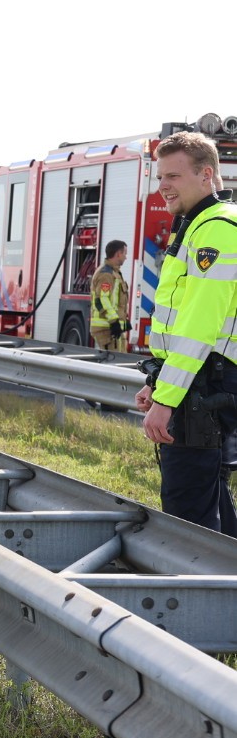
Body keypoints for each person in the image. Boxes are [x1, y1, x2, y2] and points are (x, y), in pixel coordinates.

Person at [135, 131, 237, 536]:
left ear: (206, 174)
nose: (163, 186)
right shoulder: (196, 226)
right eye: (161, 177)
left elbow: (199, 326)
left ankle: (196, 595)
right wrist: (158, 380)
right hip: (199, 384)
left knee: (188, 515)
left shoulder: (216, 230)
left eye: (173, 176)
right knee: (210, 505)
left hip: (203, 389)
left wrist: (167, 397)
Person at [90, 239, 130, 351]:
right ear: (118, 254)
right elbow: (103, 300)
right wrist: (114, 321)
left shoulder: (114, 273)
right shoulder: (106, 275)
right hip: (107, 328)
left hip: (112, 327)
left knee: (120, 361)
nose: (126, 257)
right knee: (113, 363)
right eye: (125, 253)